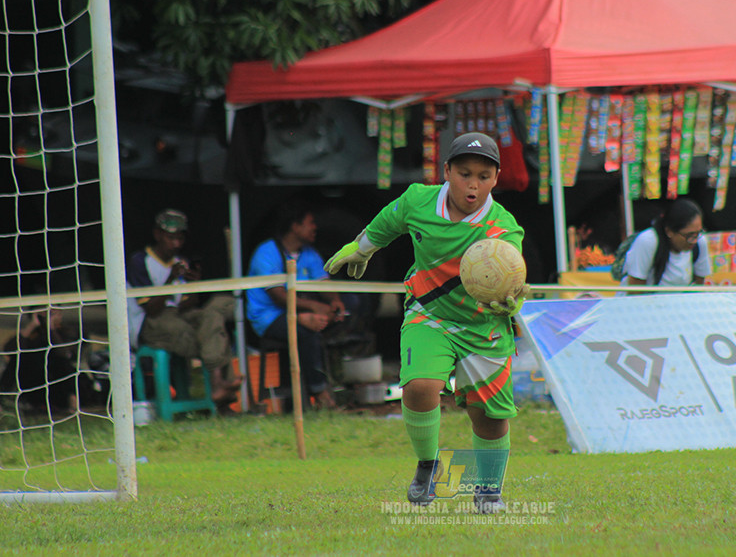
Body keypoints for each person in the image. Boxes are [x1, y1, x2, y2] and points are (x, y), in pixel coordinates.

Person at [324, 132, 525, 514]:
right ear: (446, 171)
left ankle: (488, 492)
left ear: (496, 179)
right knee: (419, 386)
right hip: (429, 314)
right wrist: (362, 248)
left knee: (489, 418)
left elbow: (513, 270)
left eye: (483, 176)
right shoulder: (418, 200)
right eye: (465, 174)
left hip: (484, 326)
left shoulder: (503, 227)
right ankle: (428, 467)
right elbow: (390, 221)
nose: (473, 185)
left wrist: (510, 295)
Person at [126, 209, 240, 405]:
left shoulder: (181, 261)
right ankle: (221, 390)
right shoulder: (140, 261)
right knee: (210, 337)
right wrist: (170, 279)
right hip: (148, 323)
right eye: (171, 238)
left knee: (212, 318)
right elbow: (151, 309)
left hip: (178, 315)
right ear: (157, 235)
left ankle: (219, 387)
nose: (176, 244)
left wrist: (193, 286)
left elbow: (185, 306)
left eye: (180, 238)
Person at [246, 199, 344, 410]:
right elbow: (279, 296)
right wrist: (312, 310)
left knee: (333, 319)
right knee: (307, 332)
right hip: (269, 318)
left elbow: (323, 283)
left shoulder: (310, 253)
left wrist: (334, 302)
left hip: (300, 311)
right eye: (310, 223)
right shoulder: (266, 252)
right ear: (295, 226)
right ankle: (320, 393)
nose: (315, 227)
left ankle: (336, 385)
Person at [0, 307, 104, 415]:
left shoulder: (68, 332)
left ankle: (72, 400)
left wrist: (50, 329)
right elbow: (9, 350)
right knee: (17, 360)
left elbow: (64, 353)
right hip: (37, 384)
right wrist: (31, 326)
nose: (47, 316)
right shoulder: (30, 334)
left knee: (61, 362)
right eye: (43, 313)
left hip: (62, 384)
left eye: (51, 312)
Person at [619, 198, 711, 288]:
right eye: (689, 235)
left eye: (698, 233)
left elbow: (699, 287)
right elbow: (635, 290)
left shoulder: (700, 242)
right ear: (669, 231)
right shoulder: (648, 241)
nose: (694, 240)